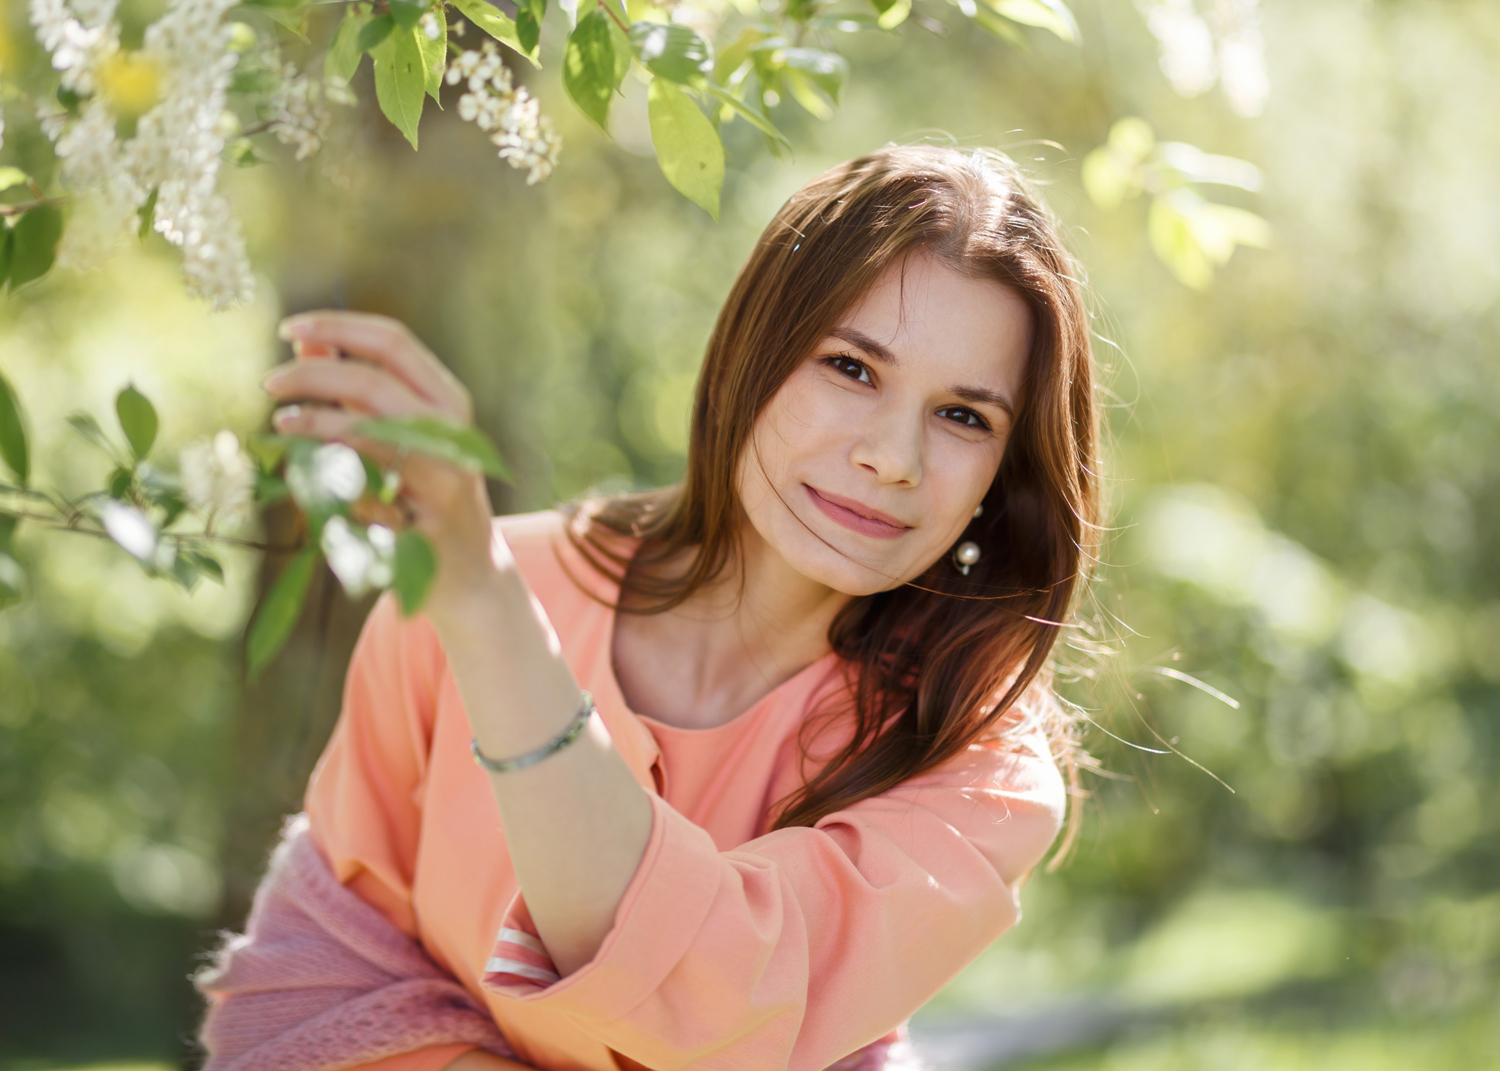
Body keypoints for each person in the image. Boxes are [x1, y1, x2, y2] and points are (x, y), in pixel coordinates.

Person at [213, 143, 1099, 1071]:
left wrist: (484, 604)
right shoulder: (480, 583)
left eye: (964, 416)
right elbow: (304, 986)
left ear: (1005, 477)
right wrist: (479, 594)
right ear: (750, 357)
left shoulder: (978, 766)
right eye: (851, 367)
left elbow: (710, 1002)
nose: (894, 457)